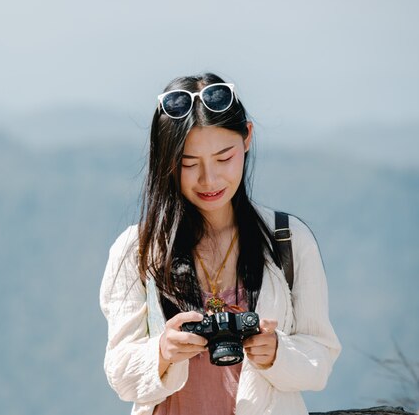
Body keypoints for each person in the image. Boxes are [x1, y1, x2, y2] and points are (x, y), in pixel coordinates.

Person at [99, 72, 341, 415]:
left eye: (224, 158)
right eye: (188, 164)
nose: (209, 179)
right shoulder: (138, 249)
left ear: (247, 139)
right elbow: (120, 372)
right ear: (165, 161)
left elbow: (321, 358)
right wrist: (163, 351)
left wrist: (276, 352)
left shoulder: (288, 241)